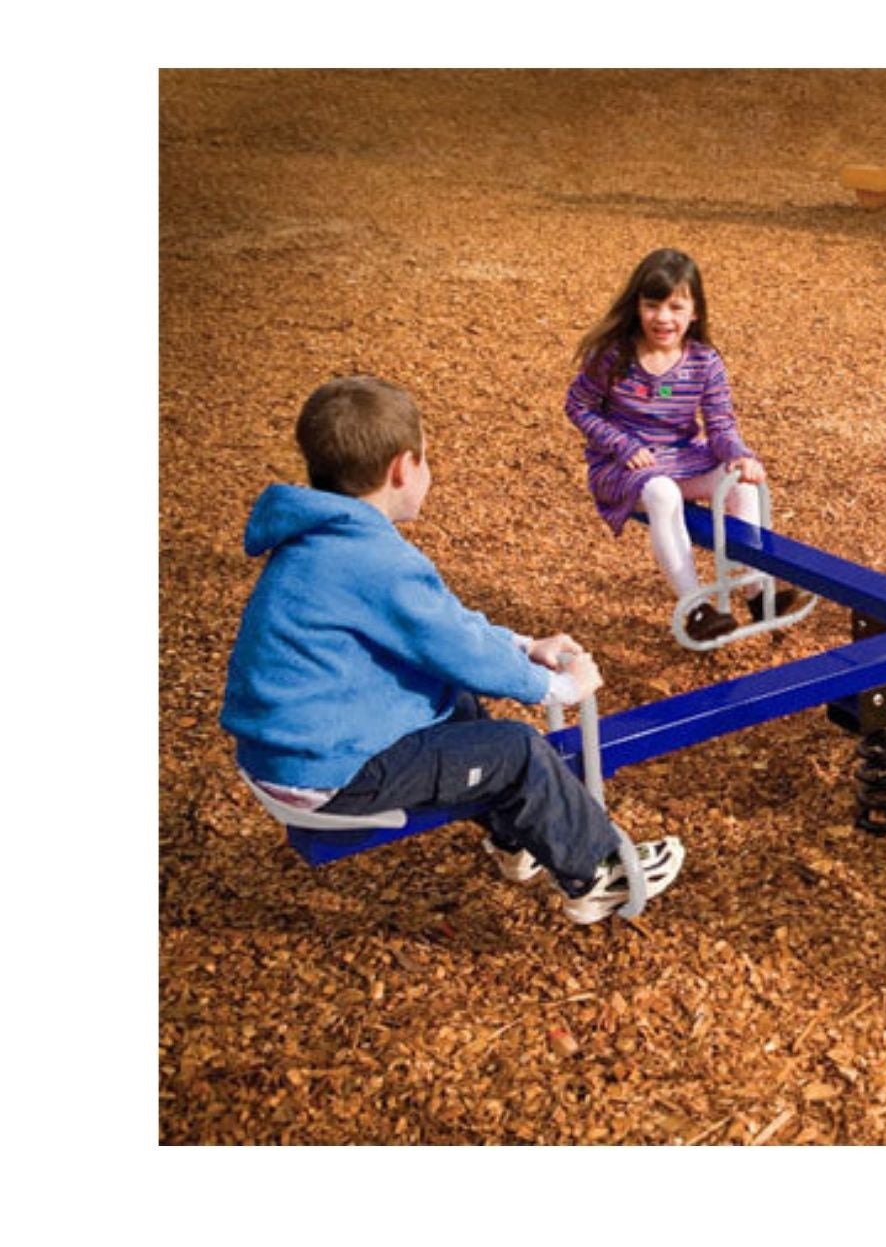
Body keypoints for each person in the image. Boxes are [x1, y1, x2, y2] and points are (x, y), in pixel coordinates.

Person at [220, 376, 684, 926]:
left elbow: (441, 628)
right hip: (326, 773)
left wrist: (523, 645)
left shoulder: (323, 542)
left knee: (454, 703)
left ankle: (519, 839)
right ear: (401, 468)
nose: (428, 473)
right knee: (516, 750)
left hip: (291, 753)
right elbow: (455, 643)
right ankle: (597, 873)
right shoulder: (375, 561)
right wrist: (557, 686)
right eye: (426, 460)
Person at [566, 247, 808, 643]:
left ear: (694, 312)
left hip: (682, 459)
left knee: (741, 484)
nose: (663, 318)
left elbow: (720, 424)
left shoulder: (703, 361)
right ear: (637, 307)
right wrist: (623, 445)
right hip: (624, 468)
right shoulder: (614, 356)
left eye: (676, 307)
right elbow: (578, 406)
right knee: (661, 493)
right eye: (652, 305)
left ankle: (757, 590)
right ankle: (695, 608)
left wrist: (738, 455)